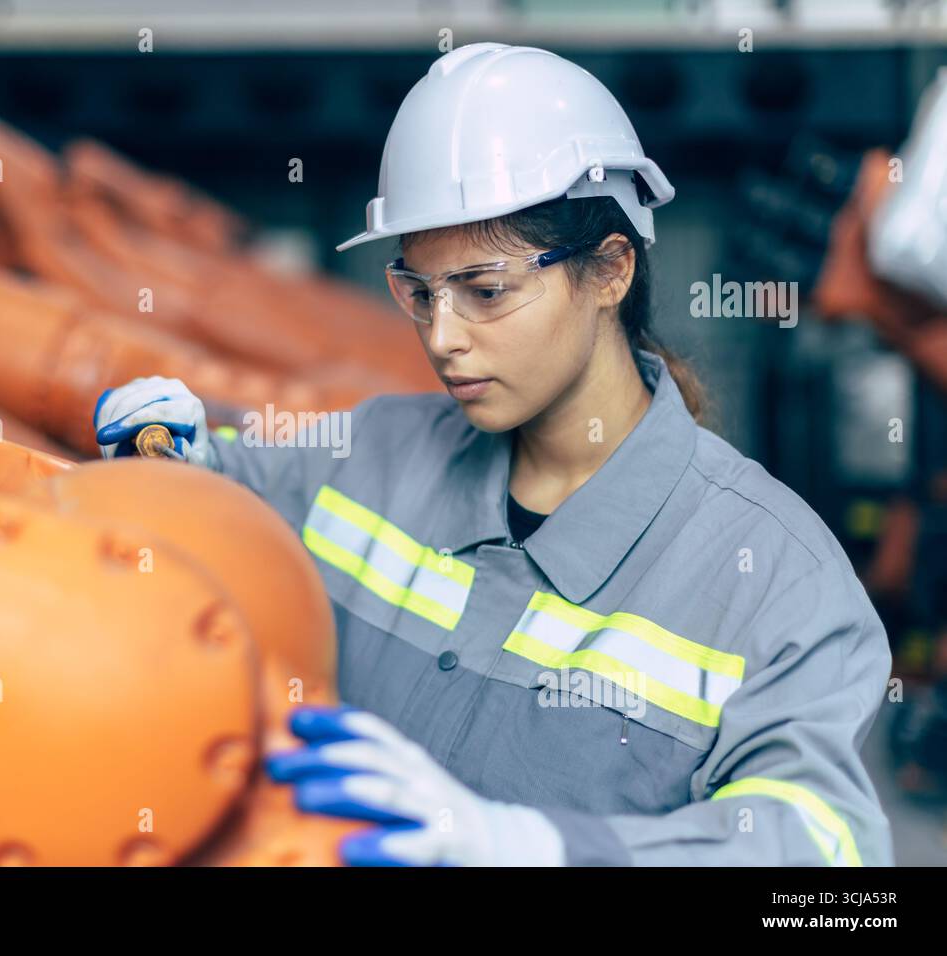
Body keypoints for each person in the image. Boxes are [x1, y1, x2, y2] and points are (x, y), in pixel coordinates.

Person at [92, 44, 894, 866]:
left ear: (611, 269)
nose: (443, 339)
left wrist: (533, 847)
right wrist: (173, 456)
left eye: (485, 292)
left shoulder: (773, 579)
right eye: (419, 292)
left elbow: (827, 859)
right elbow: (220, 498)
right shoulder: (375, 452)